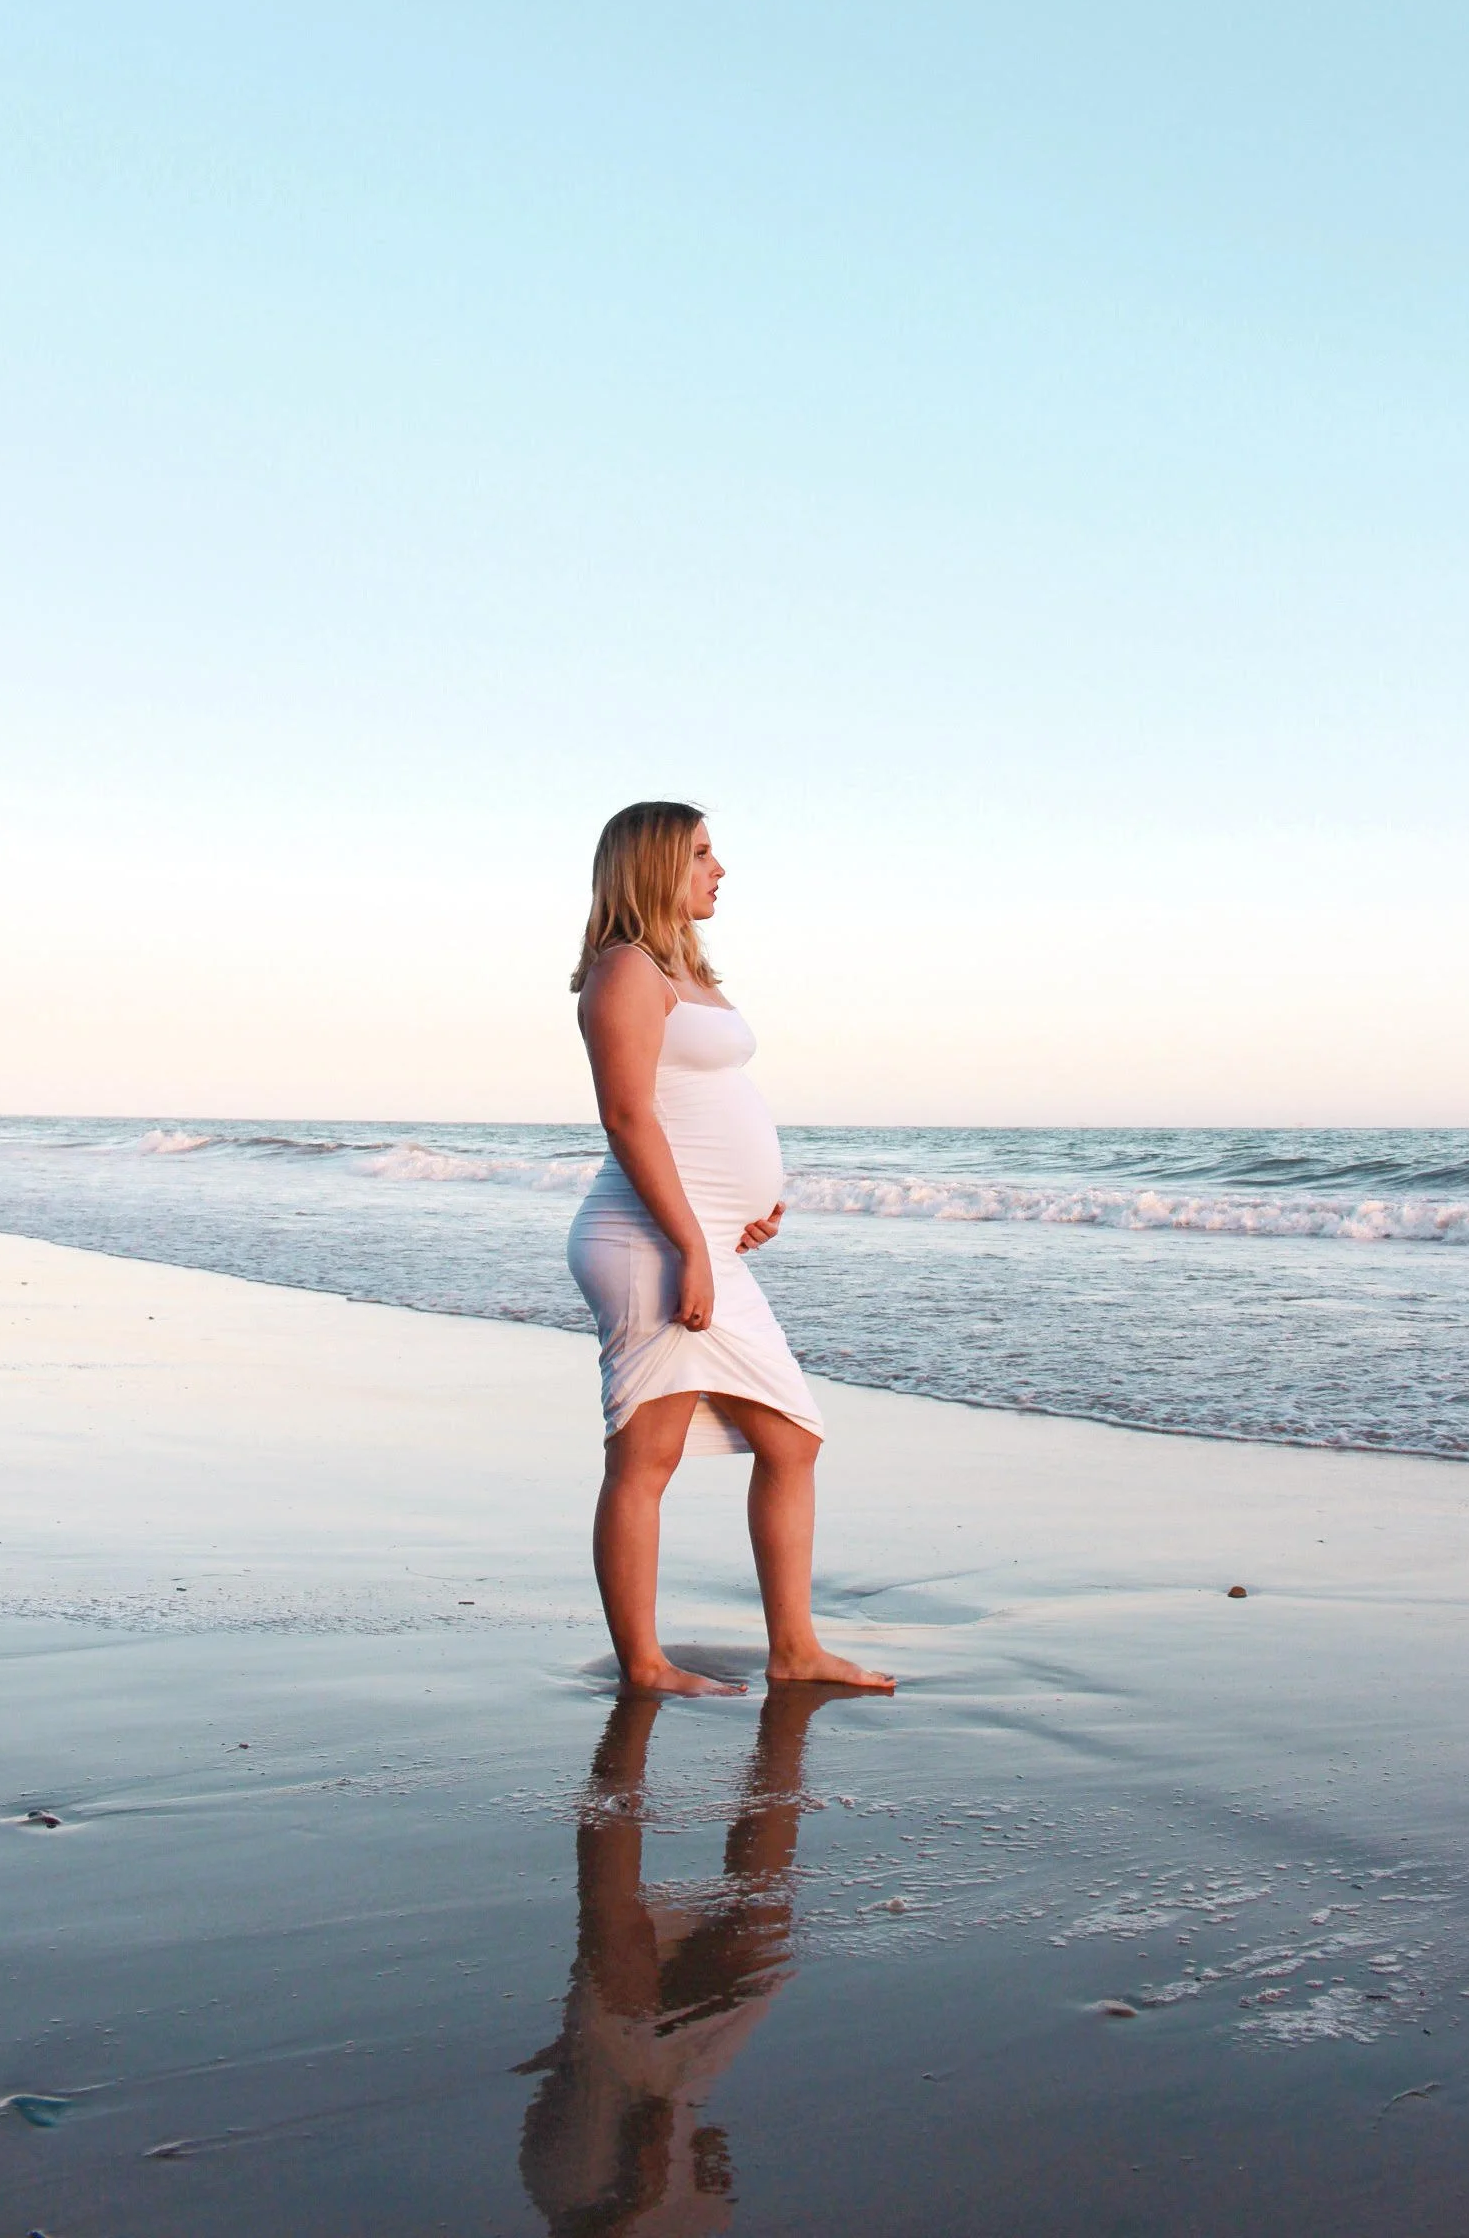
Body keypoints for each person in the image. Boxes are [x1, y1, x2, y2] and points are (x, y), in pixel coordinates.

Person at [566, 800, 895, 1698]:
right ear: (653, 866)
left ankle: (795, 1650)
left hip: (699, 1235)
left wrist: (741, 1212)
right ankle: (644, 1664)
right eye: (702, 853)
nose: (720, 869)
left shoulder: (684, 970)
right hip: (647, 1239)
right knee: (646, 1454)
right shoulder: (625, 971)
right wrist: (692, 1244)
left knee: (791, 1438)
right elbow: (628, 1115)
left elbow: (694, 1112)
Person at [515, 1685, 838, 2234]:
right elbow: (710, 2161)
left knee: (639, 1955)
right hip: (583, 2182)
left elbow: (709, 2162)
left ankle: (651, 1724)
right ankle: (758, 1731)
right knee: (630, 1950)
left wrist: (643, 2188)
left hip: (607, 2183)